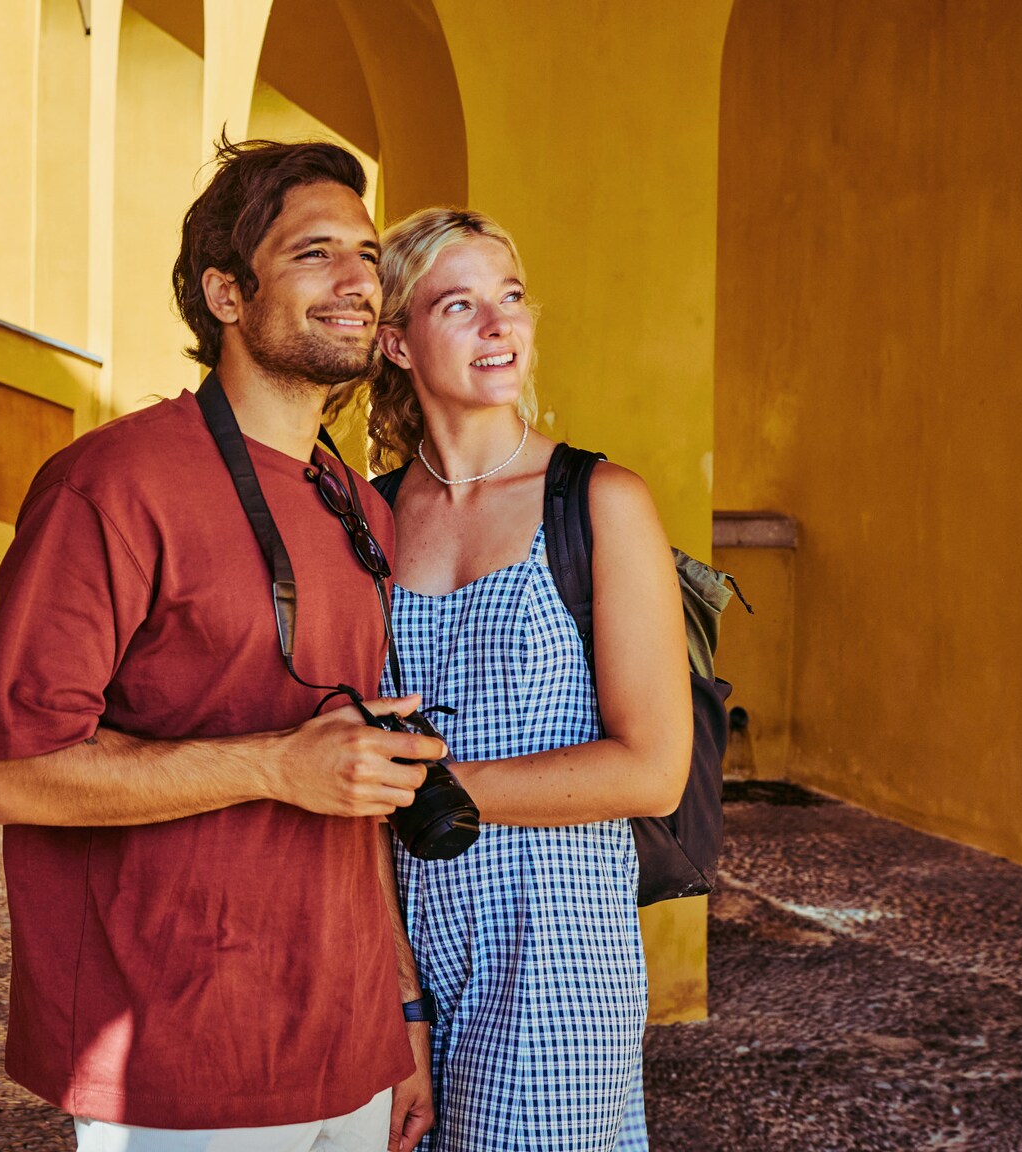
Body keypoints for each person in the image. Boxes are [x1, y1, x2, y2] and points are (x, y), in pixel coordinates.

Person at [0, 139, 443, 1152]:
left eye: (365, 253)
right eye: (315, 252)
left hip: (345, 1045)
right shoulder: (111, 484)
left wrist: (396, 1016)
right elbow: (13, 775)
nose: (358, 279)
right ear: (226, 293)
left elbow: (352, 791)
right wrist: (273, 764)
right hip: (177, 1056)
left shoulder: (353, 504)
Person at [352, 208, 692, 1152]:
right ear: (397, 343)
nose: (500, 326)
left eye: (509, 298)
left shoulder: (596, 503)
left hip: (554, 955)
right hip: (400, 950)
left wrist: (435, 795)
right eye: (459, 305)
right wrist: (397, 1000)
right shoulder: (364, 524)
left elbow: (653, 768)